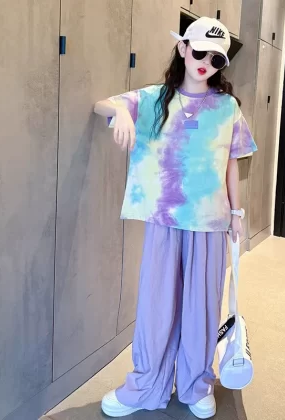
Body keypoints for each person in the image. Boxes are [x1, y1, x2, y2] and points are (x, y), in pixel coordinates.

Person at [94, 16, 257, 419]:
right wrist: (122, 112)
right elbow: (102, 105)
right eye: (199, 52)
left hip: (210, 222)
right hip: (164, 220)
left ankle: (195, 384)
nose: (205, 63)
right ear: (183, 48)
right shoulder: (153, 98)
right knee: (157, 305)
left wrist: (237, 212)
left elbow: (231, 162)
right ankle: (146, 383)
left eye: (216, 59)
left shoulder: (227, 108)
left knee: (202, 306)